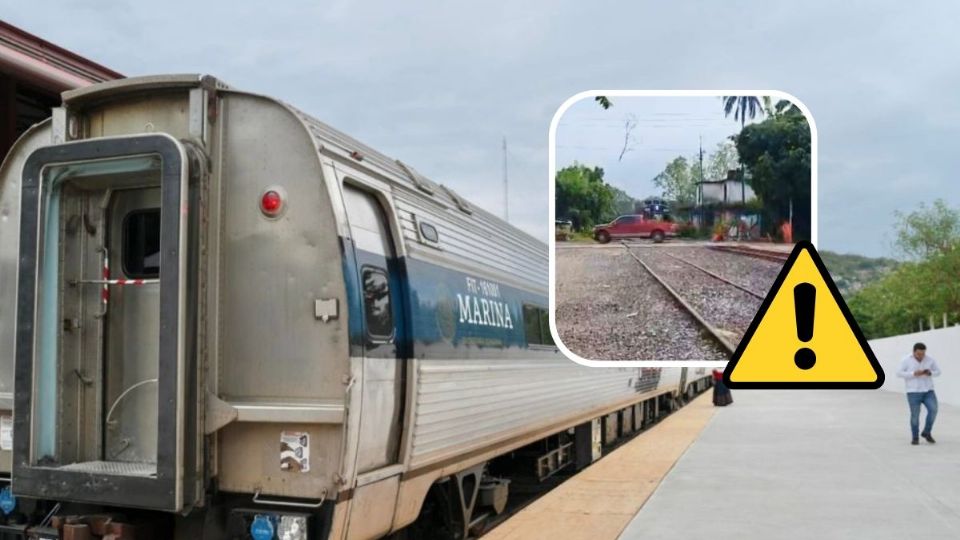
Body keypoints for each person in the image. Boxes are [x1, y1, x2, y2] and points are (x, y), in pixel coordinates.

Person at [896, 342, 941, 445]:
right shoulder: (906, 360)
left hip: (928, 390)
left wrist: (930, 372)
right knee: (915, 415)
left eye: (923, 354)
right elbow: (898, 373)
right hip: (913, 392)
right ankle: (915, 437)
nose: (921, 356)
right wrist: (913, 373)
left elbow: (938, 372)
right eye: (919, 354)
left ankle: (926, 432)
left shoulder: (930, 359)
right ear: (914, 352)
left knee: (933, 410)